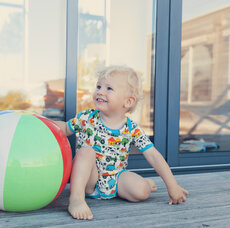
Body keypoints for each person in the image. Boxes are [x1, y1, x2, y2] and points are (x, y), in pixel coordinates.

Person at [55, 65, 188, 220]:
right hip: (89, 182)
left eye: (109, 88)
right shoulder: (87, 118)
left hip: (115, 179)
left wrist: (172, 186)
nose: (100, 91)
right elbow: (64, 128)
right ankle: (76, 199)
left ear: (128, 102)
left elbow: (153, 155)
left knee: (142, 192)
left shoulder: (132, 129)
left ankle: (145, 183)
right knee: (86, 151)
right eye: (98, 86)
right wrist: (43, 122)